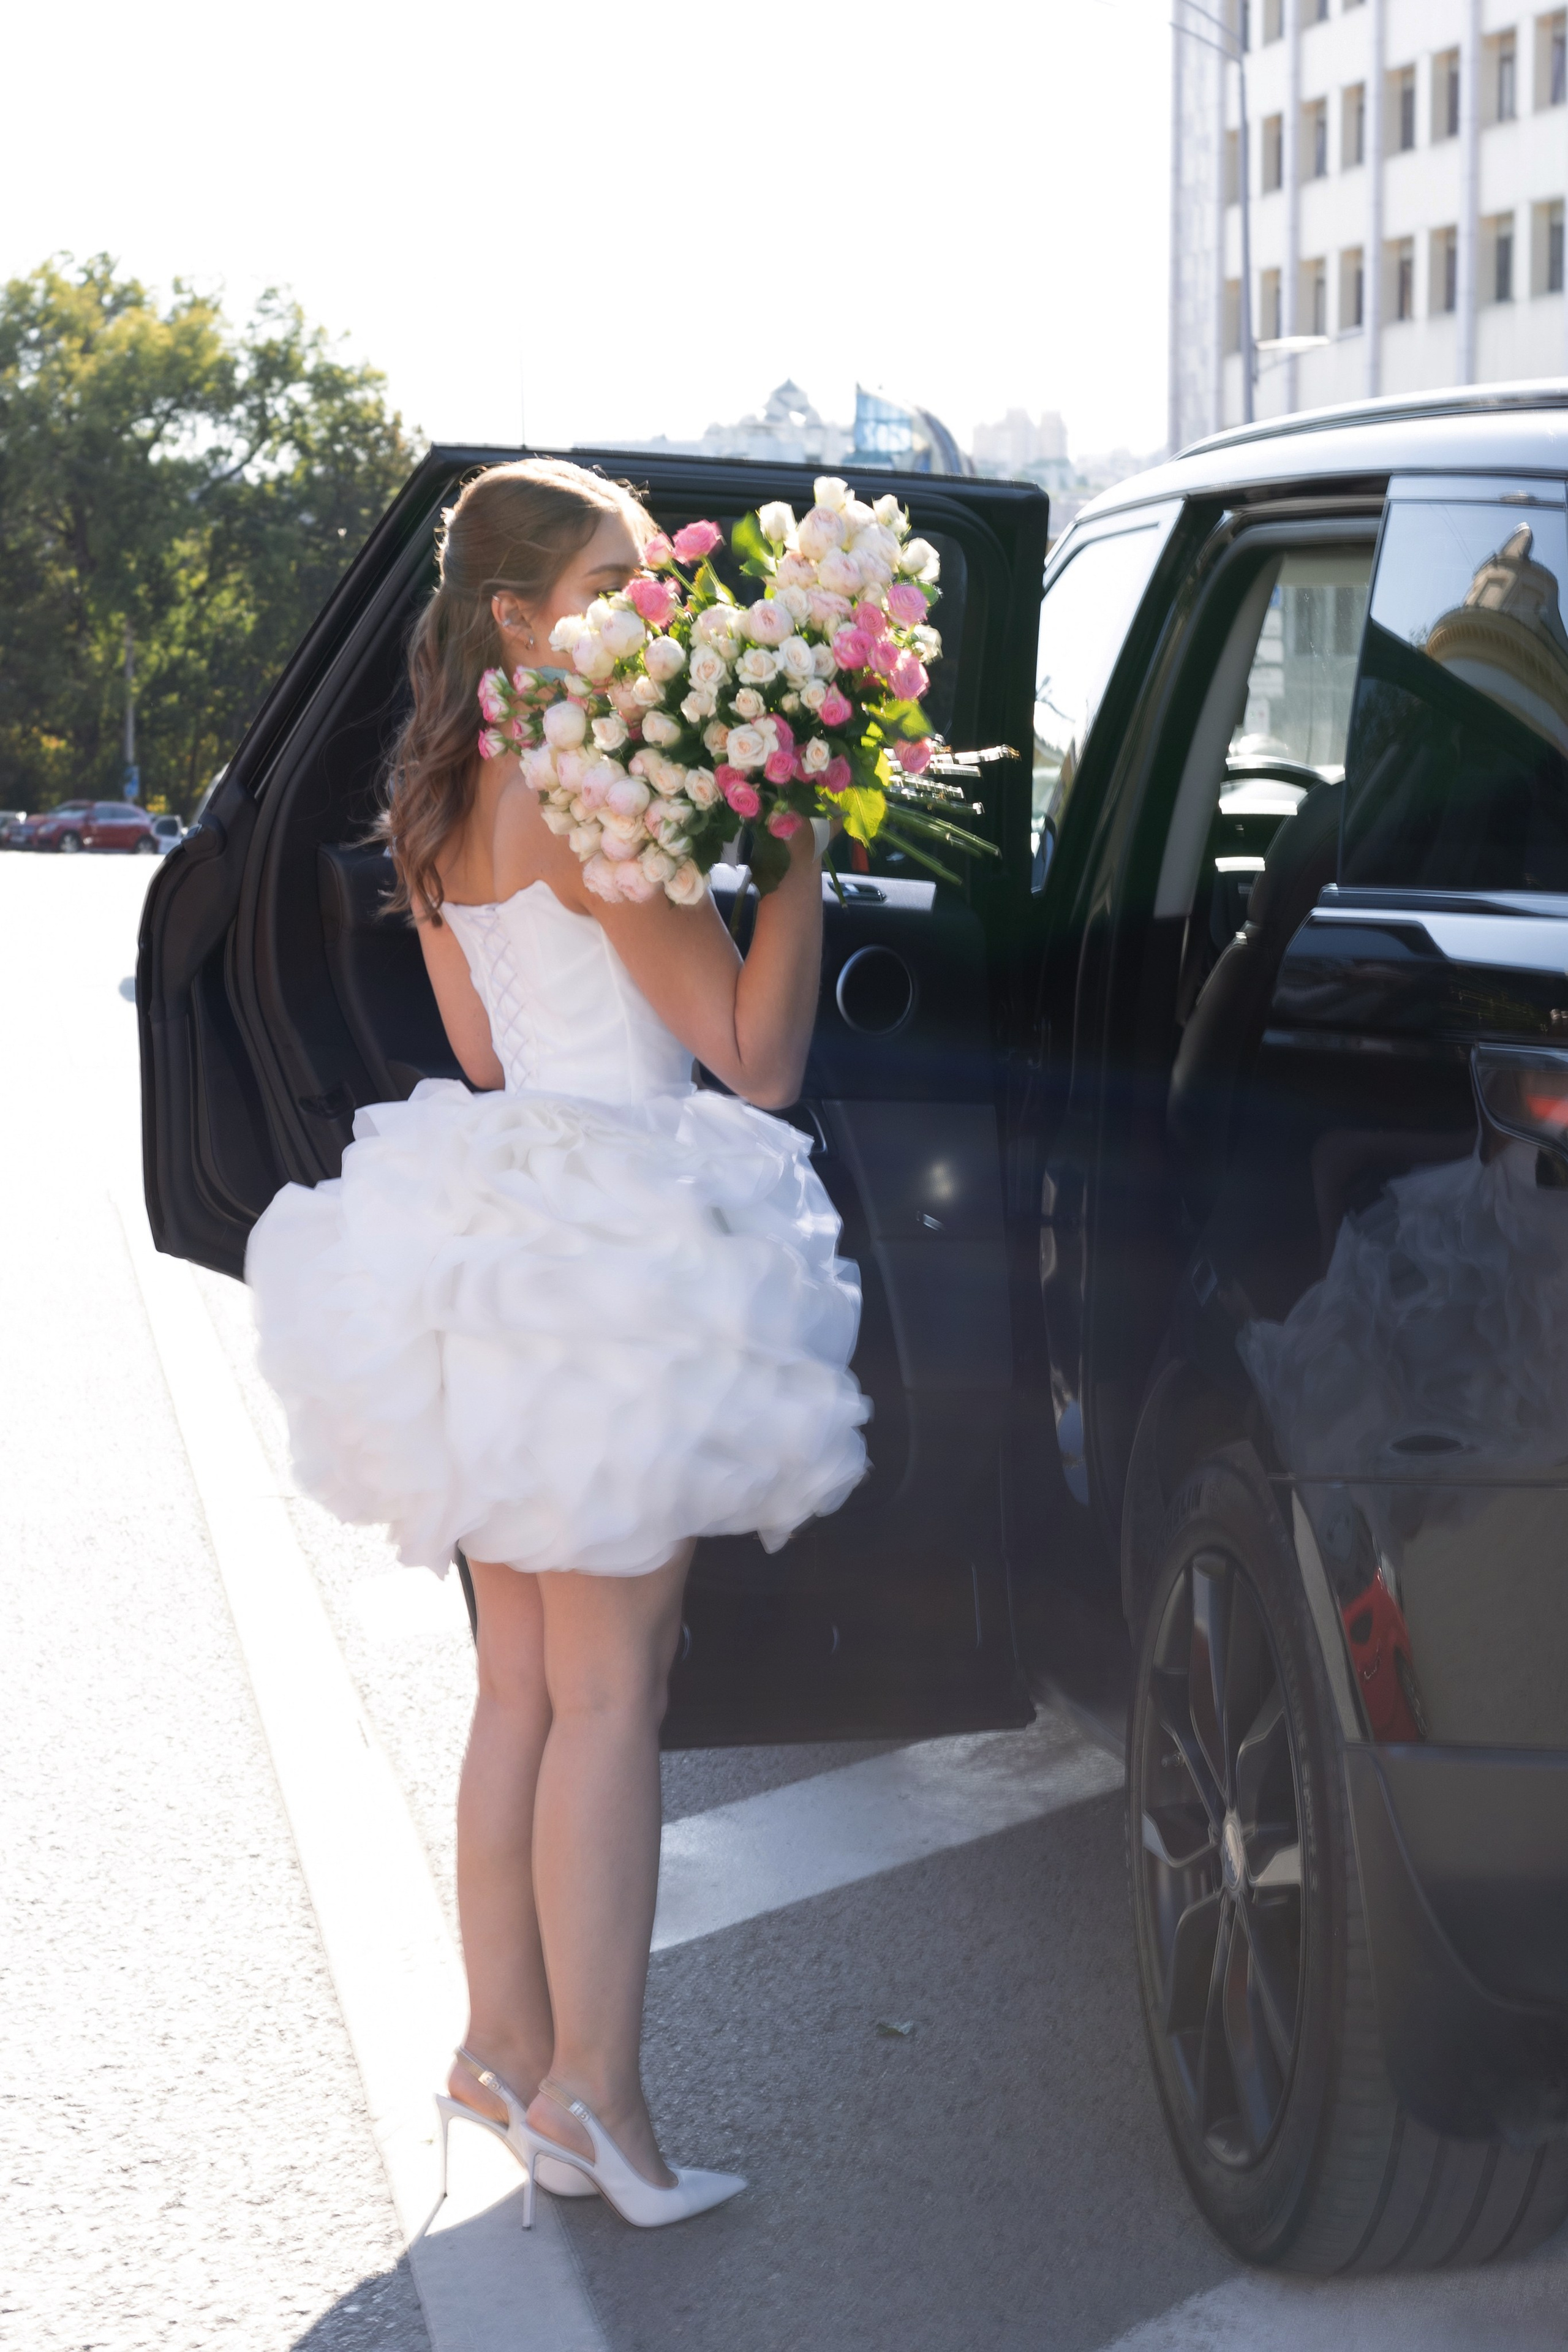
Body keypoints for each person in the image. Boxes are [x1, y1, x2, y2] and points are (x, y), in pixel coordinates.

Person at [244, 458, 869, 2228]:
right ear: (521, 615)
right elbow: (753, 1060)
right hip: (620, 1247)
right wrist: (802, 848)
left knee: (520, 1685)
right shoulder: (604, 800)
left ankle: (501, 2050)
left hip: (493, 1221)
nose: (649, 601)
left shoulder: (443, 800)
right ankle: (601, 2102)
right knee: (611, 1695)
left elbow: (495, 1055)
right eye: (616, 575)